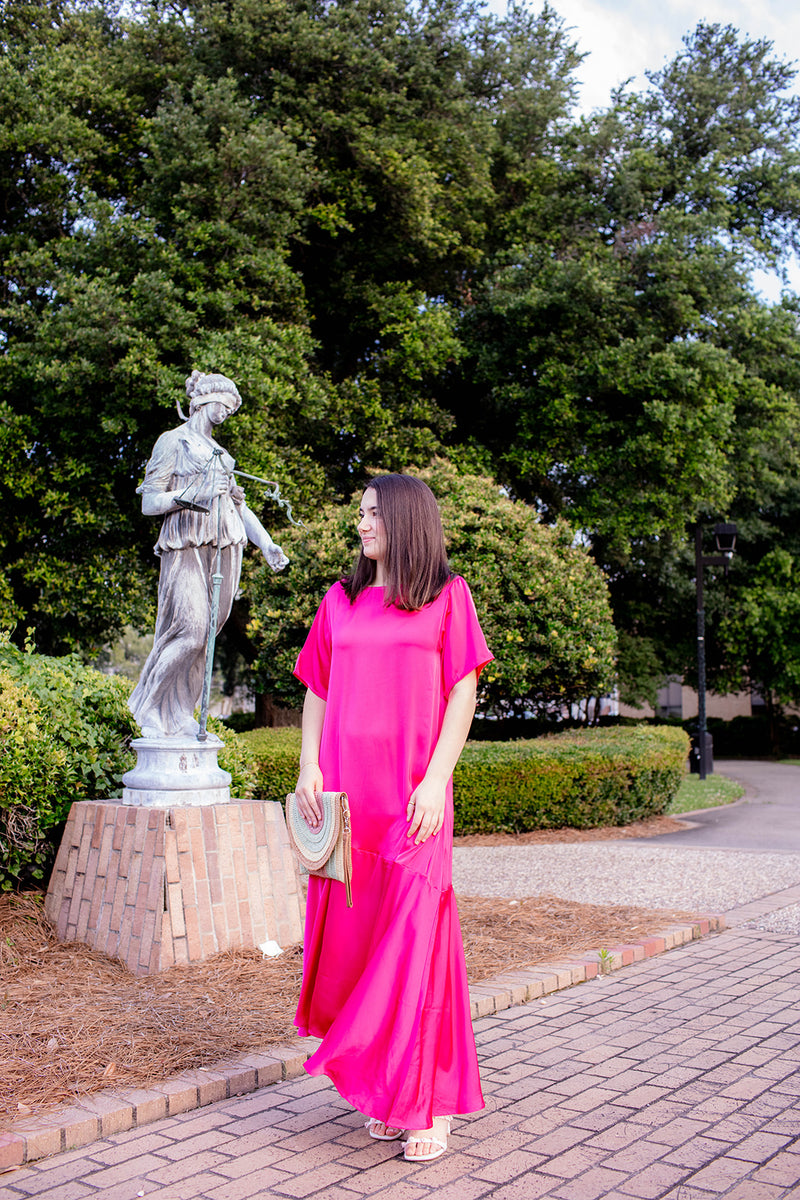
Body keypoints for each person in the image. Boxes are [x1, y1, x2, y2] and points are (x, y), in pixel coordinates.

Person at [292, 473, 493, 1162]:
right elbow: (317, 688)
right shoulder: (340, 601)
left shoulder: (447, 596)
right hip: (352, 807)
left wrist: (437, 781)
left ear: (406, 519)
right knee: (364, 950)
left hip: (414, 805)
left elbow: (462, 694)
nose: (361, 521)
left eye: (373, 512)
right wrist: (307, 765)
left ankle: (427, 1104)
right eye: (360, 511)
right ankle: (385, 1091)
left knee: (416, 951)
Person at [129, 370, 288, 739]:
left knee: (206, 639)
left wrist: (266, 544)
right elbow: (149, 502)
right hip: (184, 545)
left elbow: (239, 506)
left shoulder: (222, 454)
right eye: (225, 404)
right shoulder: (173, 442)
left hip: (225, 547)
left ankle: (182, 713)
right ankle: (149, 706)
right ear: (204, 399)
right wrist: (193, 495)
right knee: (189, 629)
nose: (228, 413)